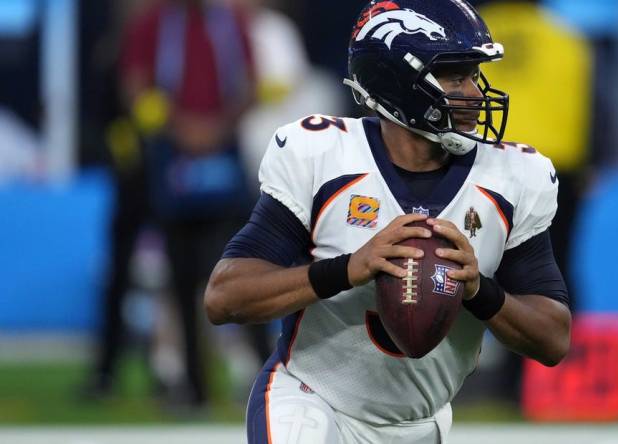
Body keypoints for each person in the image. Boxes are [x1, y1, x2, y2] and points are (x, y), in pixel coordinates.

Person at [205, 1, 571, 442]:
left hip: (420, 423)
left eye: (475, 74)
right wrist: (346, 269)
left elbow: (553, 338)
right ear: (398, 80)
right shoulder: (322, 156)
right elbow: (224, 297)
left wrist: (479, 290)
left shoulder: (514, 178)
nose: (474, 92)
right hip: (310, 401)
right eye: (455, 75)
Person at [111, 0, 257, 407]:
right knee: (181, 279)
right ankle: (195, 385)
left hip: (224, 157)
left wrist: (215, 128)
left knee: (247, 269)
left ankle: (269, 374)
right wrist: (181, 128)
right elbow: (136, 87)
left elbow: (249, 84)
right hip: (170, 162)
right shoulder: (154, 23)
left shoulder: (230, 22)